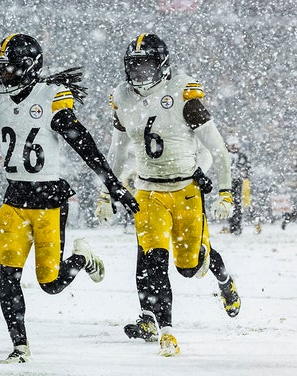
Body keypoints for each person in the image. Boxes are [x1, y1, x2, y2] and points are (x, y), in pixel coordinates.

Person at [0, 28, 139, 363]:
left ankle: (81, 257)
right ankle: (20, 346)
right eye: (0, 66)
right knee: (8, 274)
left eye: (9, 66)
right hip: (14, 198)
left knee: (50, 283)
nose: (2, 73)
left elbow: (80, 139)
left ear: (28, 66)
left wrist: (112, 183)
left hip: (49, 199)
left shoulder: (50, 94)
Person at [95, 33, 241, 356]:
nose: (139, 74)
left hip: (186, 189)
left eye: (146, 65)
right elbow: (117, 153)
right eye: (134, 66)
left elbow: (218, 149)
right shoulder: (123, 97)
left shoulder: (181, 94)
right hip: (148, 191)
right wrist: (106, 194)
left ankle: (225, 279)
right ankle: (167, 332)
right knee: (154, 259)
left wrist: (226, 193)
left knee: (191, 265)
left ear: (161, 65)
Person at [224, 136, 252, 235]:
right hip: (227, 183)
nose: (234, 147)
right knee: (229, 203)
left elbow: (247, 168)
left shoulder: (242, 156)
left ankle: (237, 225)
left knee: (238, 204)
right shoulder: (225, 156)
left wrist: (243, 173)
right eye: (232, 145)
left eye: (235, 145)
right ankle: (232, 224)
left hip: (239, 182)